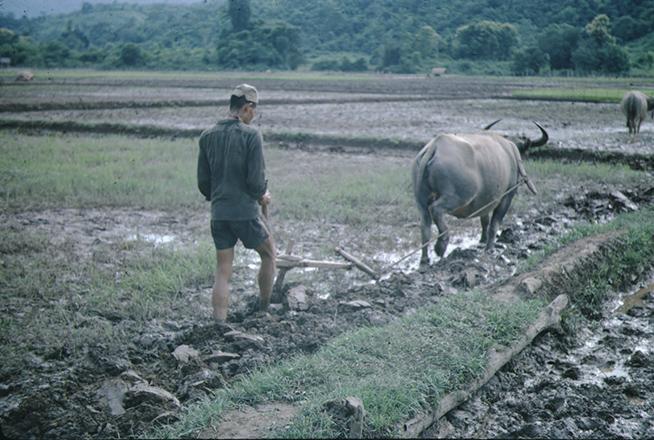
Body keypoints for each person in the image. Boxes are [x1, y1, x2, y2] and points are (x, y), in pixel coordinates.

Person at [197, 84, 276, 322]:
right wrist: (262, 195)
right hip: (245, 214)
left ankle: (219, 323)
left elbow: (203, 183)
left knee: (223, 271)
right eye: (254, 111)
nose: (254, 116)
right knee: (269, 255)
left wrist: (220, 197)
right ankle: (264, 310)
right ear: (247, 108)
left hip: (219, 214)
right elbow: (255, 181)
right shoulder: (251, 135)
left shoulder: (207, 136)